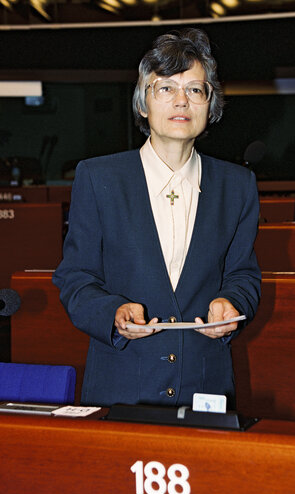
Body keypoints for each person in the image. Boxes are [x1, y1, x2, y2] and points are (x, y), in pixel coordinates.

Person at [52, 28, 261, 408]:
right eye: (165, 88)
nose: (181, 100)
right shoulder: (98, 178)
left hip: (206, 385)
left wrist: (232, 301)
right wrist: (111, 312)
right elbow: (75, 276)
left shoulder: (238, 185)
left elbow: (243, 274)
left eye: (195, 89)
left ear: (209, 105)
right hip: (121, 384)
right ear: (143, 104)